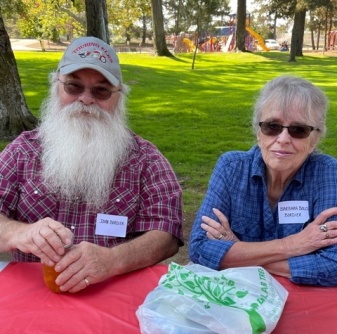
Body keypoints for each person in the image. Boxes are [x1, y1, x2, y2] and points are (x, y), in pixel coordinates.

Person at [0, 36, 183, 293]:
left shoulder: (147, 160)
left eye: (101, 91)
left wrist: (113, 260)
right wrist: (20, 233)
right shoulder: (22, 151)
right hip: (35, 295)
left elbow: (167, 235)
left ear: (119, 97)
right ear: (57, 87)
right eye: (74, 87)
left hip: (115, 296)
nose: (86, 99)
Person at [189, 75, 337, 286]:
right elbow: (200, 248)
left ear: (314, 140)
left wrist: (238, 250)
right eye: (272, 126)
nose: (283, 139)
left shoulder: (328, 174)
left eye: (298, 130)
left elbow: (333, 263)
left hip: (302, 301)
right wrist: (293, 245)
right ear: (259, 133)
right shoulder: (231, 168)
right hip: (234, 296)